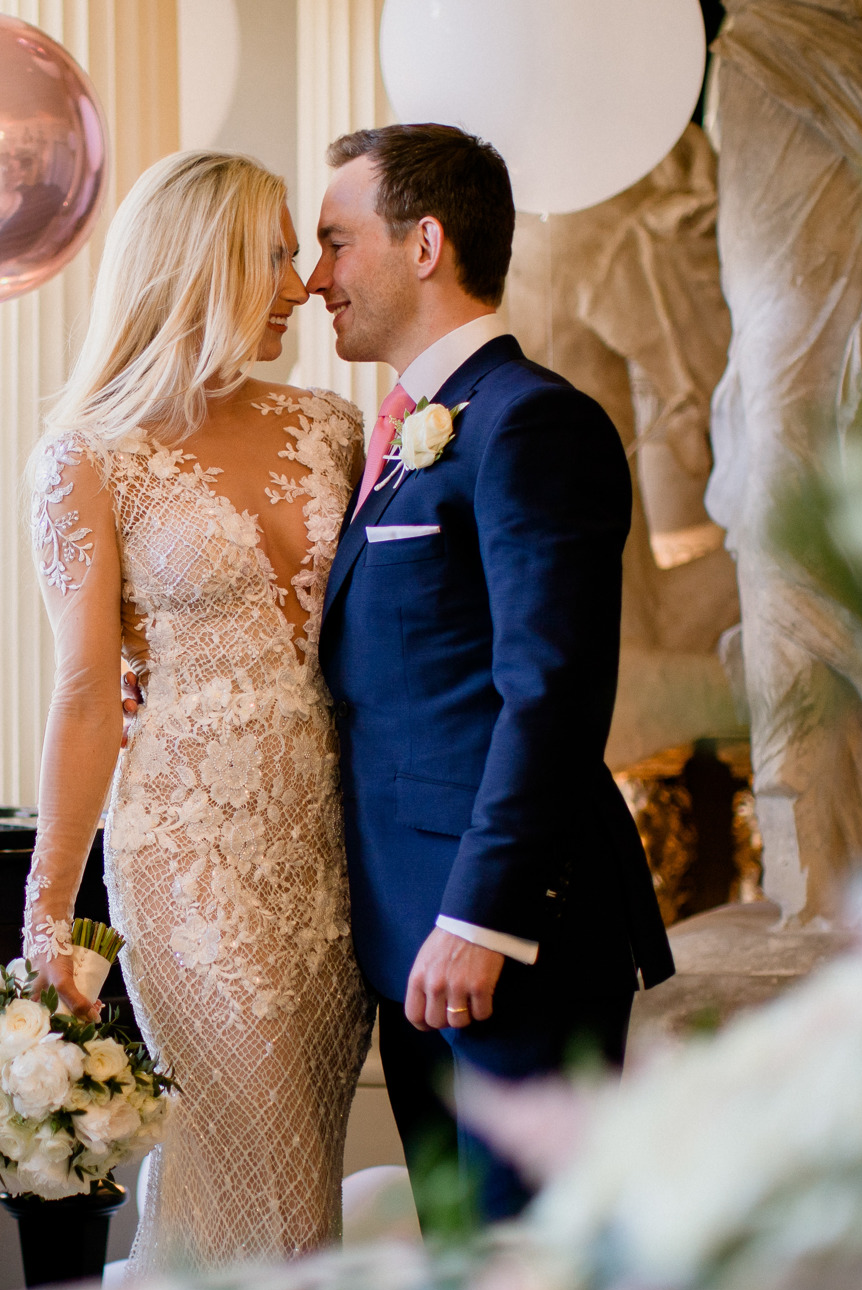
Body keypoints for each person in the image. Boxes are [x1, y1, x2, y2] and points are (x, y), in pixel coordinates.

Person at [308, 124, 675, 1224]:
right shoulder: (407, 434)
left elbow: (549, 689)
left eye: (335, 242)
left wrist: (479, 919)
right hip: (407, 936)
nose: (315, 277)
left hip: (506, 936)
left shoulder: (531, 424)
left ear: (424, 244)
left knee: (534, 1281)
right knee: (465, 1276)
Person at [21, 149, 368, 1271]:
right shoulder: (86, 458)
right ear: (203, 264)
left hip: (329, 853)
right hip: (188, 856)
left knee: (291, 1168)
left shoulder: (334, 426)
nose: (302, 283)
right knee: (255, 1149)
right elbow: (84, 698)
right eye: (273, 254)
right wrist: (52, 920)